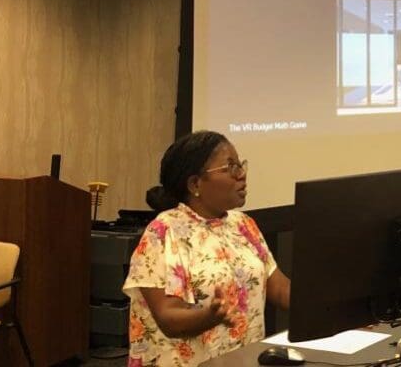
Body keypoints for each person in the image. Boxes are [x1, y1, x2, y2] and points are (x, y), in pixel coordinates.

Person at [123, 131, 291, 366]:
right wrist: (210, 315)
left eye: (240, 165)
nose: (241, 174)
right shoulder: (163, 231)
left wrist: (329, 298)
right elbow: (168, 317)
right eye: (230, 167)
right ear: (195, 184)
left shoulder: (243, 225)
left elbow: (281, 289)